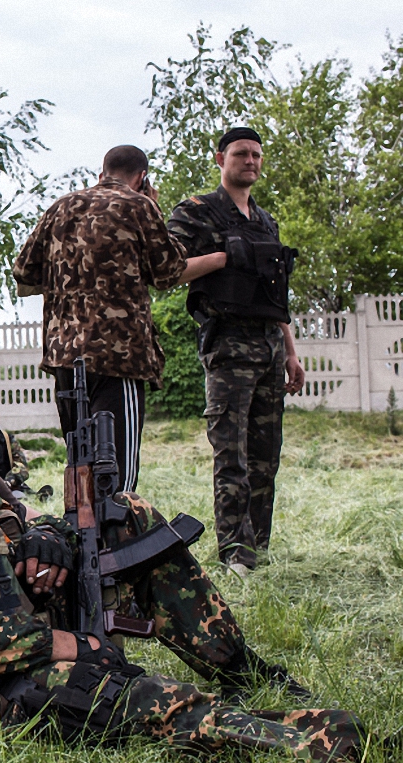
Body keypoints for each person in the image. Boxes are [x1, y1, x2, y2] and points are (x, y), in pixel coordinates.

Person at [0, 339, 364, 763]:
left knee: (127, 516)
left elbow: (15, 524)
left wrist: (49, 538)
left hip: (24, 626)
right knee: (137, 698)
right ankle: (324, 745)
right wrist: (71, 644)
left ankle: (242, 669)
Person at [13, 145, 228, 492]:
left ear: (102, 174)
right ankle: (114, 542)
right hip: (119, 357)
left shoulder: (60, 207)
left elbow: (23, 270)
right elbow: (168, 271)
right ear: (142, 178)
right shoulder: (140, 205)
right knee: (116, 478)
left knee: (80, 471)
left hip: (65, 358)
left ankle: (84, 542)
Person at [167, 127, 305, 576]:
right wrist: (224, 257)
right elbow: (166, 270)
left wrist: (291, 352)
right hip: (228, 345)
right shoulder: (198, 212)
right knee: (232, 454)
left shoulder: (266, 221)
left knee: (267, 455)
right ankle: (235, 555)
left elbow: (275, 293)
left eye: (257, 155)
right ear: (220, 158)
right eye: (241, 154)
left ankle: (258, 550)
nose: (251, 161)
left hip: (267, 345)